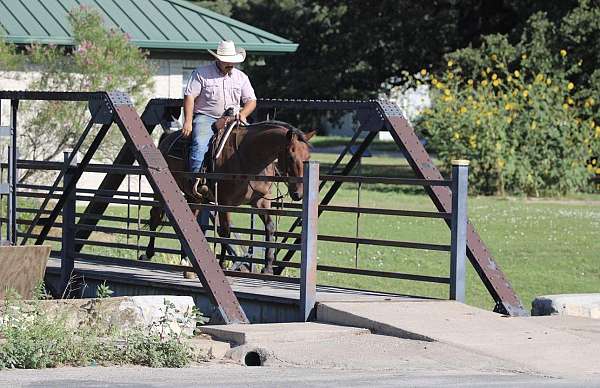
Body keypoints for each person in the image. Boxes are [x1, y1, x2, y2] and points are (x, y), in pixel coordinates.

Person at [182, 40, 257, 193]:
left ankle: (256, 178)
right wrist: (188, 122)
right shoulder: (201, 73)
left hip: (234, 117)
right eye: (226, 61)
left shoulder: (241, 77)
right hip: (206, 116)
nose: (230, 64)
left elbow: (251, 100)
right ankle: (196, 179)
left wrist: (242, 114)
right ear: (218, 59)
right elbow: (189, 97)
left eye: (232, 61)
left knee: (254, 142)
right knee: (200, 142)